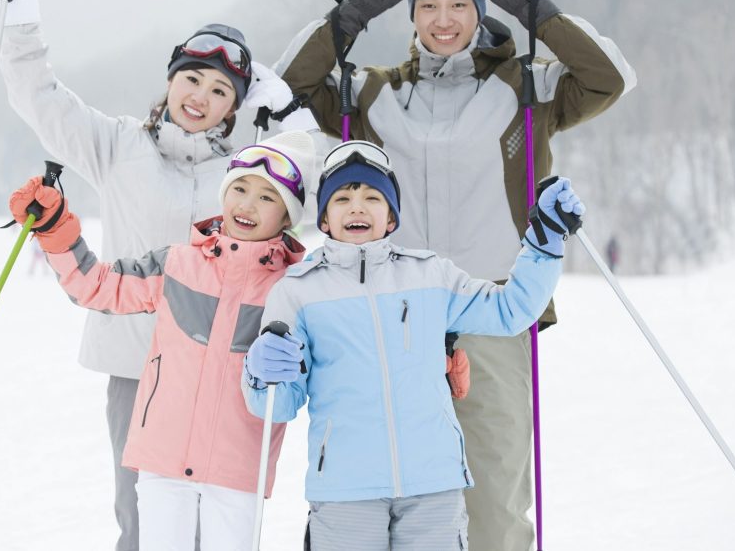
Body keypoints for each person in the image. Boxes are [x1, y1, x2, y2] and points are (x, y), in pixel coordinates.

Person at [272, 0, 637, 550]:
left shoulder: (526, 87)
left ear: (481, 10)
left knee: (493, 497)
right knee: (391, 499)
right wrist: (353, 16)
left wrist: (533, 10)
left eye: (461, 4)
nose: (445, 19)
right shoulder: (370, 94)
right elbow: (285, 89)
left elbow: (607, 79)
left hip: (491, 311)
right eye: (429, 5)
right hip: (387, 317)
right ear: (409, 15)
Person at [0, 0, 316, 550]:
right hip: (139, 367)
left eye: (221, 90)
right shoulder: (118, 147)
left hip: (225, 373)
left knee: (219, 526)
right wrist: (21, 17)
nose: (201, 96)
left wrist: (291, 113)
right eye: (192, 78)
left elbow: (323, 207)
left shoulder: (249, 176)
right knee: (141, 523)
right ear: (170, 81)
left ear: (236, 106)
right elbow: (40, 97)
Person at [242, 141, 584, 550]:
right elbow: (277, 406)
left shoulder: (430, 276)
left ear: (391, 219)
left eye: (372, 197)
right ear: (325, 219)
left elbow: (511, 310)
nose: (357, 207)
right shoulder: (298, 292)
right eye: (342, 198)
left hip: (433, 485)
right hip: (345, 488)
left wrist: (543, 244)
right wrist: (260, 374)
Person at [8, 131, 315, 550]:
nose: (246, 204)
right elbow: (97, 286)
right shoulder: (177, 264)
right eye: (239, 188)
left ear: (287, 216)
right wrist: (57, 230)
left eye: (266, 197)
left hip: (240, 468)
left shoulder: (291, 290)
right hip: (163, 461)